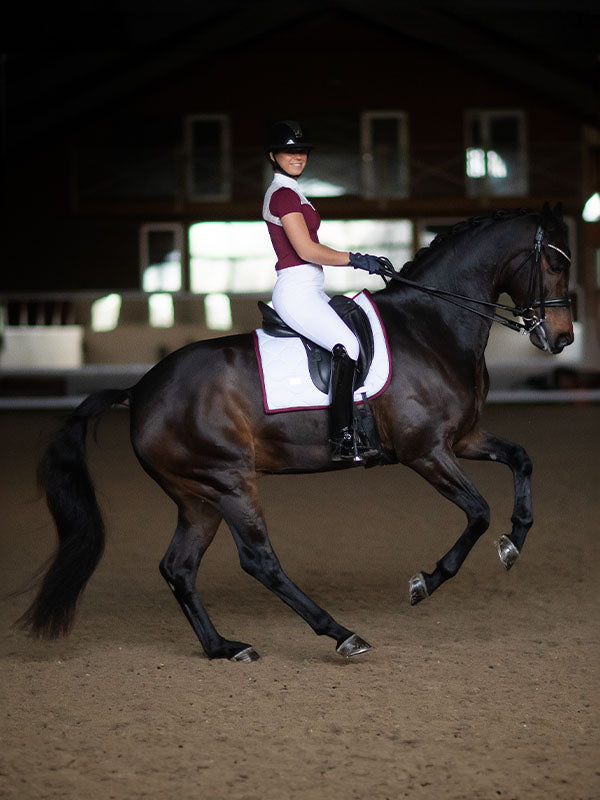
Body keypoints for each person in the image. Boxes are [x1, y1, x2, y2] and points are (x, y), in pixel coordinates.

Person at [262, 119, 389, 462]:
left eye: (302, 151)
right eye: (289, 152)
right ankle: (341, 437)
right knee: (347, 344)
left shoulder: (294, 192)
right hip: (296, 290)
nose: (297, 157)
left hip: (311, 287)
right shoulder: (283, 195)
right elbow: (306, 250)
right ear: (273, 156)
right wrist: (355, 259)